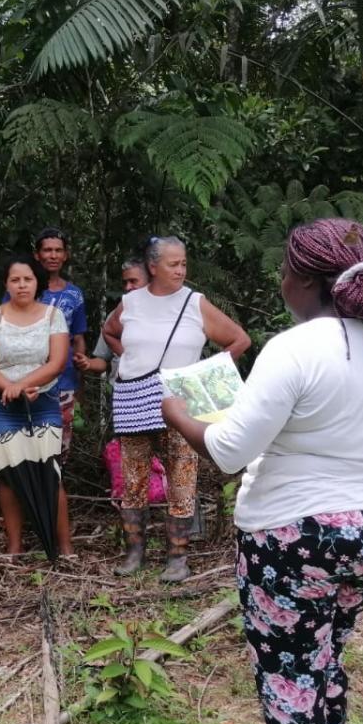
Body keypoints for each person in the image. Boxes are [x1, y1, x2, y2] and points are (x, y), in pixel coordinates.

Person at [161, 219, 363, 724]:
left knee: (291, 673)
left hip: (295, 537)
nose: (281, 280)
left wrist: (177, 413)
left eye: (285, 270)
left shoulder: (296, 347)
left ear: (306, 281)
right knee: (325, 657)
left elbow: (226, 449)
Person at [103, 236, 251, 581]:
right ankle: (134, 554)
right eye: (173, 264)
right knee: (134, 480)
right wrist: (130, 358)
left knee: (182, 479)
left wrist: (204, 376)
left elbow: (239, 340)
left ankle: (177, 558)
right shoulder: (131, 302)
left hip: (181, 406)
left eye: (184, 263)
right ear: (153, 266)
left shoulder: (194, 303)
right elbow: (109, 332)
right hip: (134, 402)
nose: (181, 270)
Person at [0, 255, 73, 557]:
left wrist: (25, 385)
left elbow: (56, 363)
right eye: (15, 279)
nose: (21, 285)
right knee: (9, 473)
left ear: (37, 282)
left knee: (48, 471)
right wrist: (11, 389)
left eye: (27, 279)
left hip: (42, 401)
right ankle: (14, 545)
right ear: (6, 283)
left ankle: (64, 546)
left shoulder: (53, 315)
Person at [27, 228, 88, 459]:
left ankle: (53, 491)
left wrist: (80, 383)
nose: (53, 255)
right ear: (37, 255)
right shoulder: (23, 288)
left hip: (64, 382)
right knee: (27, 445)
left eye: (58, 250)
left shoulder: (74, 294)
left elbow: (79, 337)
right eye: (47, 250)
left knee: (59, 448)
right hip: (27, 380)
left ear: (65, 255)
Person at [73, 257, 149, 380]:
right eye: (125, 282)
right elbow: (103, 360)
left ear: (150, 281)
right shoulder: (116, 316)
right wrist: (88, 363)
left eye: (133, 281)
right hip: (121, 390)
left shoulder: (168, 314)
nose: (128, 287)